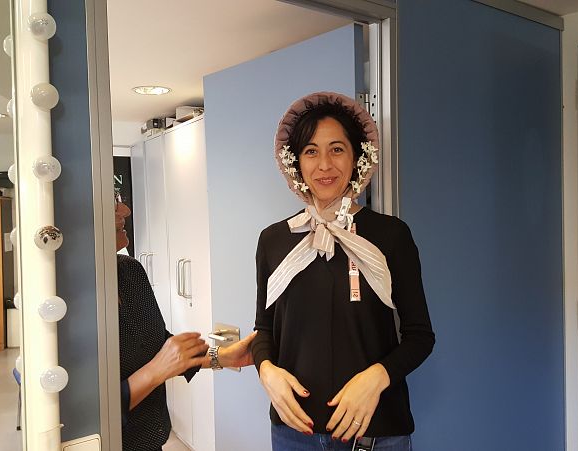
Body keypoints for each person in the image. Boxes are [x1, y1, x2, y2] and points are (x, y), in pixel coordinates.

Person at [252, 92, 435, 450]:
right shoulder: (274, 240)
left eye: (337, 149)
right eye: (310, 151)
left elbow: (420, 336)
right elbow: (264, 329)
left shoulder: (391, 235)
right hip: (294, 432)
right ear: (295, 163)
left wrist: (376, 378)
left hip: (375, 430)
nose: (324, 165)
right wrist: (267, 372)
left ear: (357, 158)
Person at [115, 198, 256, 451]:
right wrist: (153, 373)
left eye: (119, 201)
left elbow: (161, 346)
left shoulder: (130, 271)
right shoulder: (70, 303)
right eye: (113, 203)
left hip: (153, 439)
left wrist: (223, 357)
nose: (125, 210)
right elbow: (88, 412)